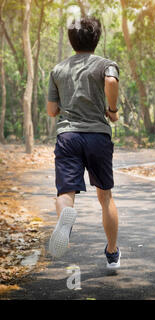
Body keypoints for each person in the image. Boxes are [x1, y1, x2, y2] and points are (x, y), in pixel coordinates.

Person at [46, 16, 121, 269]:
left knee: (65, 192)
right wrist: (112, 109)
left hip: (68, 136)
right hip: (97, 135)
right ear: (96, 39)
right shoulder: (105, 64)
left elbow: (51, 110)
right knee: (105, 197)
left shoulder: (58, 70)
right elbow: (111, 81)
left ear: (71, 40)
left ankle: (64, 227)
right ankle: (112, 253)